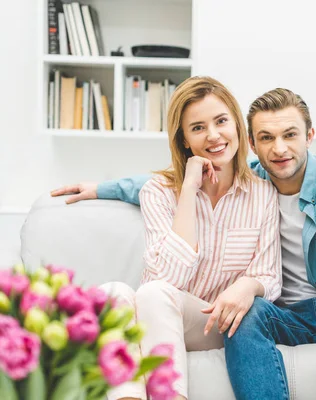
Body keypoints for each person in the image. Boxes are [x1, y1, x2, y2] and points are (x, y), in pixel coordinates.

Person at [52, 87, 316, 400]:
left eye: (290, 135)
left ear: (309, 136)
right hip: (284, 315)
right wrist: (103, 188)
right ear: (252, 142)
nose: (279, 148)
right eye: (267, 138)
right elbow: (165, 181)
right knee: (237, 311)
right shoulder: (250, 178)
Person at [88, 76, 282, 400]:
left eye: (221, 121)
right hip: (157, 311)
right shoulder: (159, 192)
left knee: (151, 294)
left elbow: (270, 278)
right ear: (184, 141)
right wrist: (189, 191)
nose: (214, 135)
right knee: (112, 293)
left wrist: (248, 286)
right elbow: (168, 277)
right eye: (198, 128)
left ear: (237, 125)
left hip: (212, 324)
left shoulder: (262, 194)